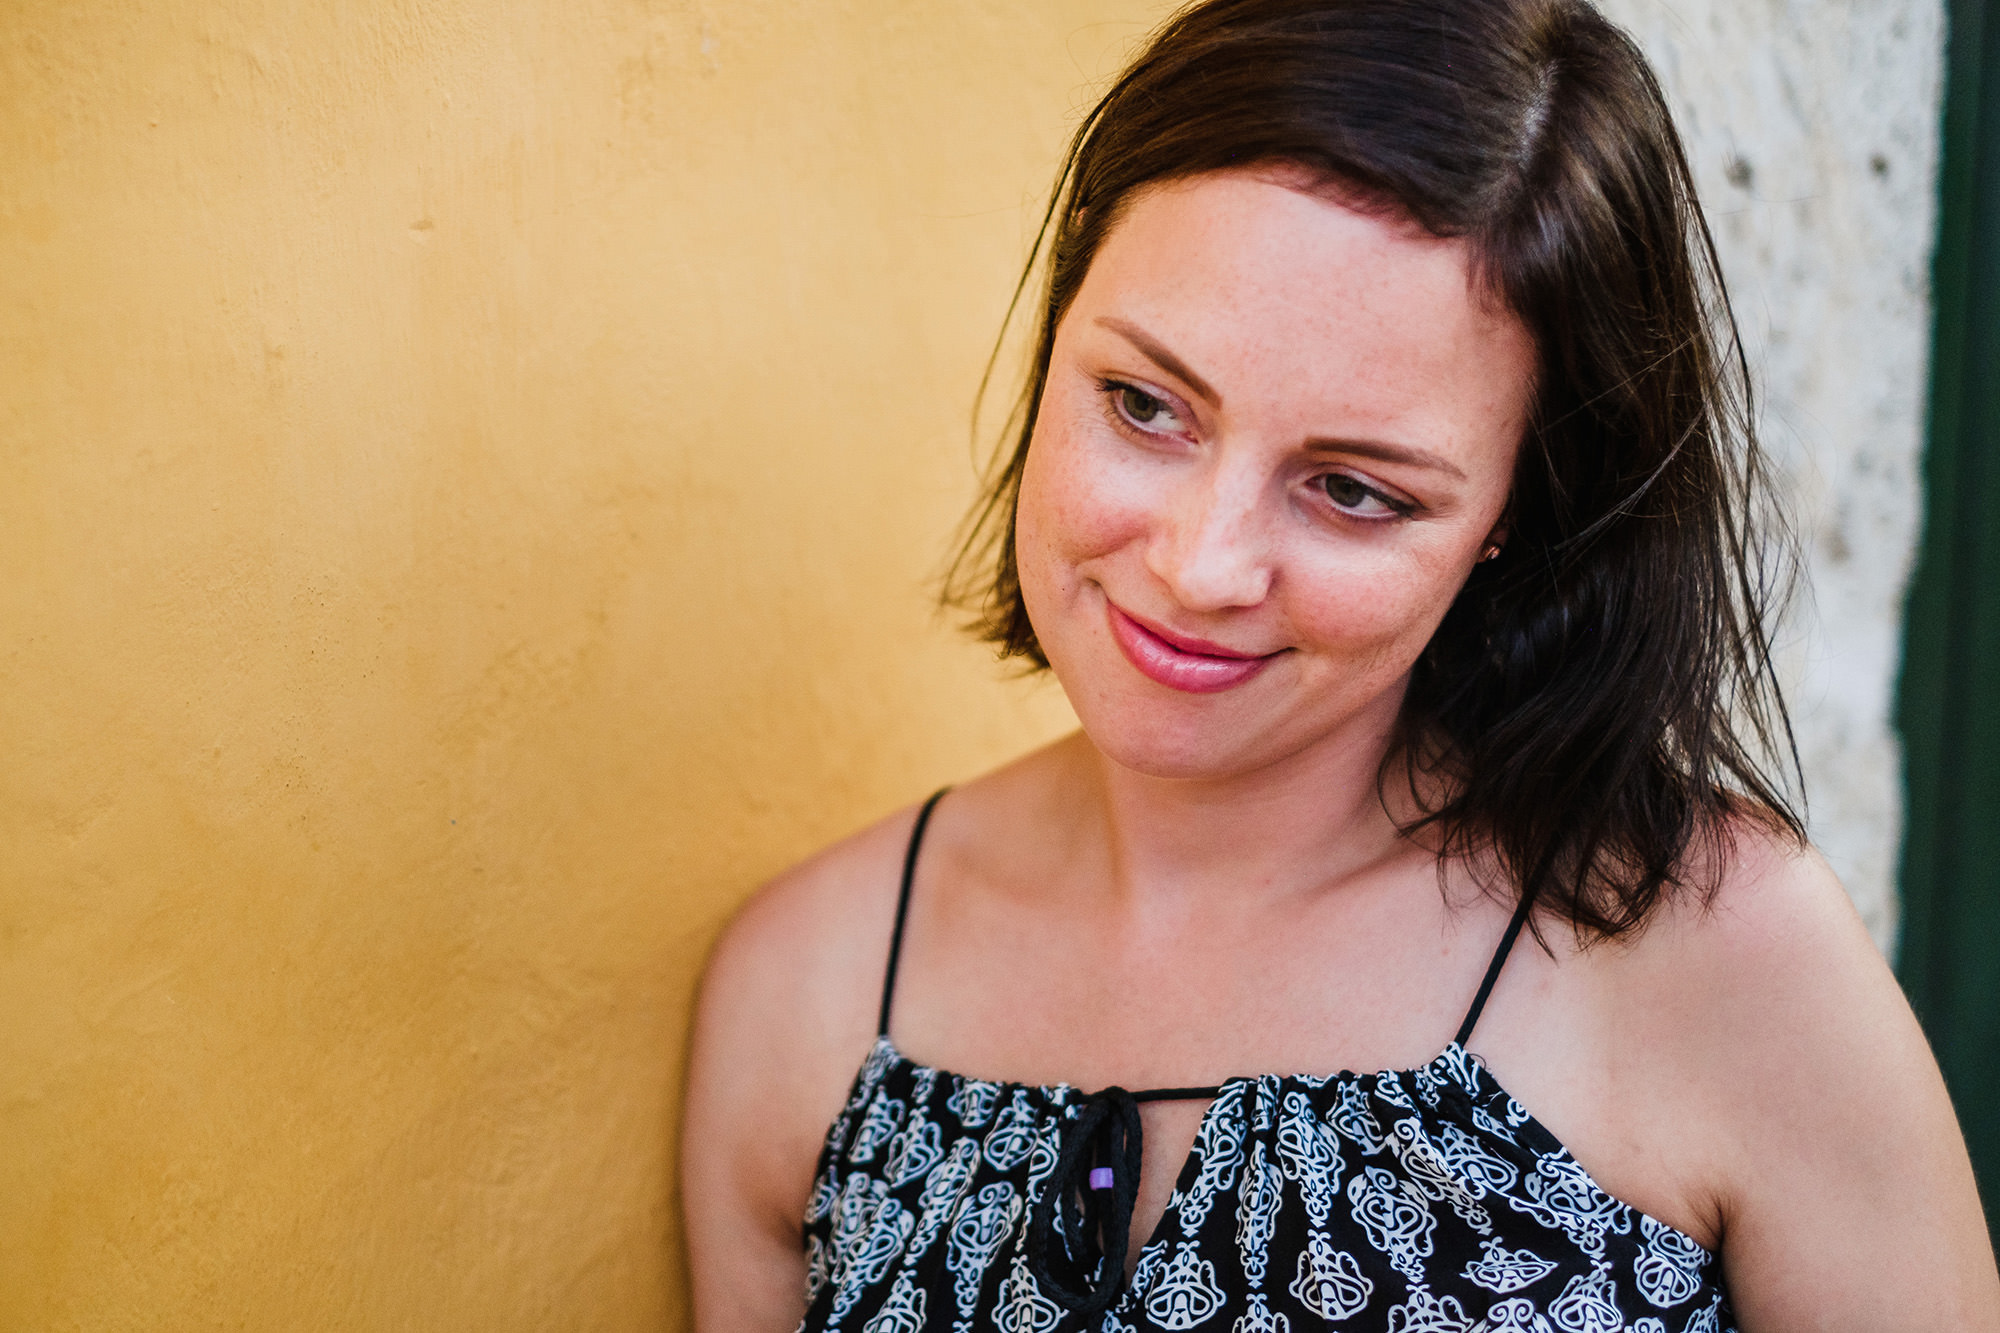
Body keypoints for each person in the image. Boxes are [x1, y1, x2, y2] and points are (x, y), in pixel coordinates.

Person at [681, 0, 2000, 1327]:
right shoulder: (814, 987)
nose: (1203, 564)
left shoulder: (1721, 957)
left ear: (1515, 520)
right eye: (1145, 405)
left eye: (1355, 489)